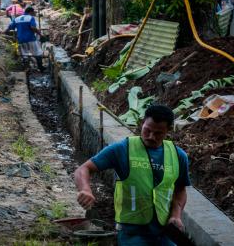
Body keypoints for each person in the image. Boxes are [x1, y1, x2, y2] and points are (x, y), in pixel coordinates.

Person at [74, 105, 191, 245]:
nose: (151, 136)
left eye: (158, 133)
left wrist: (176, 215)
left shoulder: (178, 156)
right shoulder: (123, 149)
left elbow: (180, 190)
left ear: (168, 131)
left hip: (164, 232)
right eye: (147, 130)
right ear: (142, 123)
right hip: (132, 233)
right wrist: (85, 189)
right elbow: (84, 169)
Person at [5, 6, 45, 72]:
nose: (34, 13)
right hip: (31, 39)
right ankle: (40, 68)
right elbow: (32, 27)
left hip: (21, 40)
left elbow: (10, 27)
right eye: (33, 12)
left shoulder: (17, 19)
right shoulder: (31, 18)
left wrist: (4, 32)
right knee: (38, 53)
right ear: (31, 12)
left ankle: (27, 68)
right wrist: (40, 34)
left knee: (24, 54)